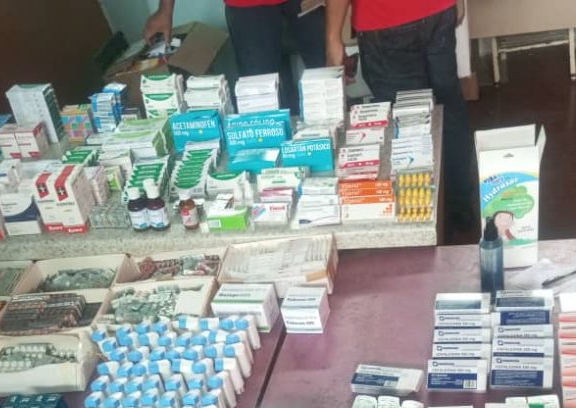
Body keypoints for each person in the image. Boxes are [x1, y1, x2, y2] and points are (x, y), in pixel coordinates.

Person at [324, 0, 477, 233]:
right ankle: (459, 212)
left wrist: (333, 38)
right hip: (437, 11)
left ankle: (421, 223)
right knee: (448, 108)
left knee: (406, 126)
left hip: (385, 20)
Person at [144, 0, 326, 78]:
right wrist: (165, 10)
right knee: (261, 97)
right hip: (248, 6)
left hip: (308, 3)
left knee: (329, 77)